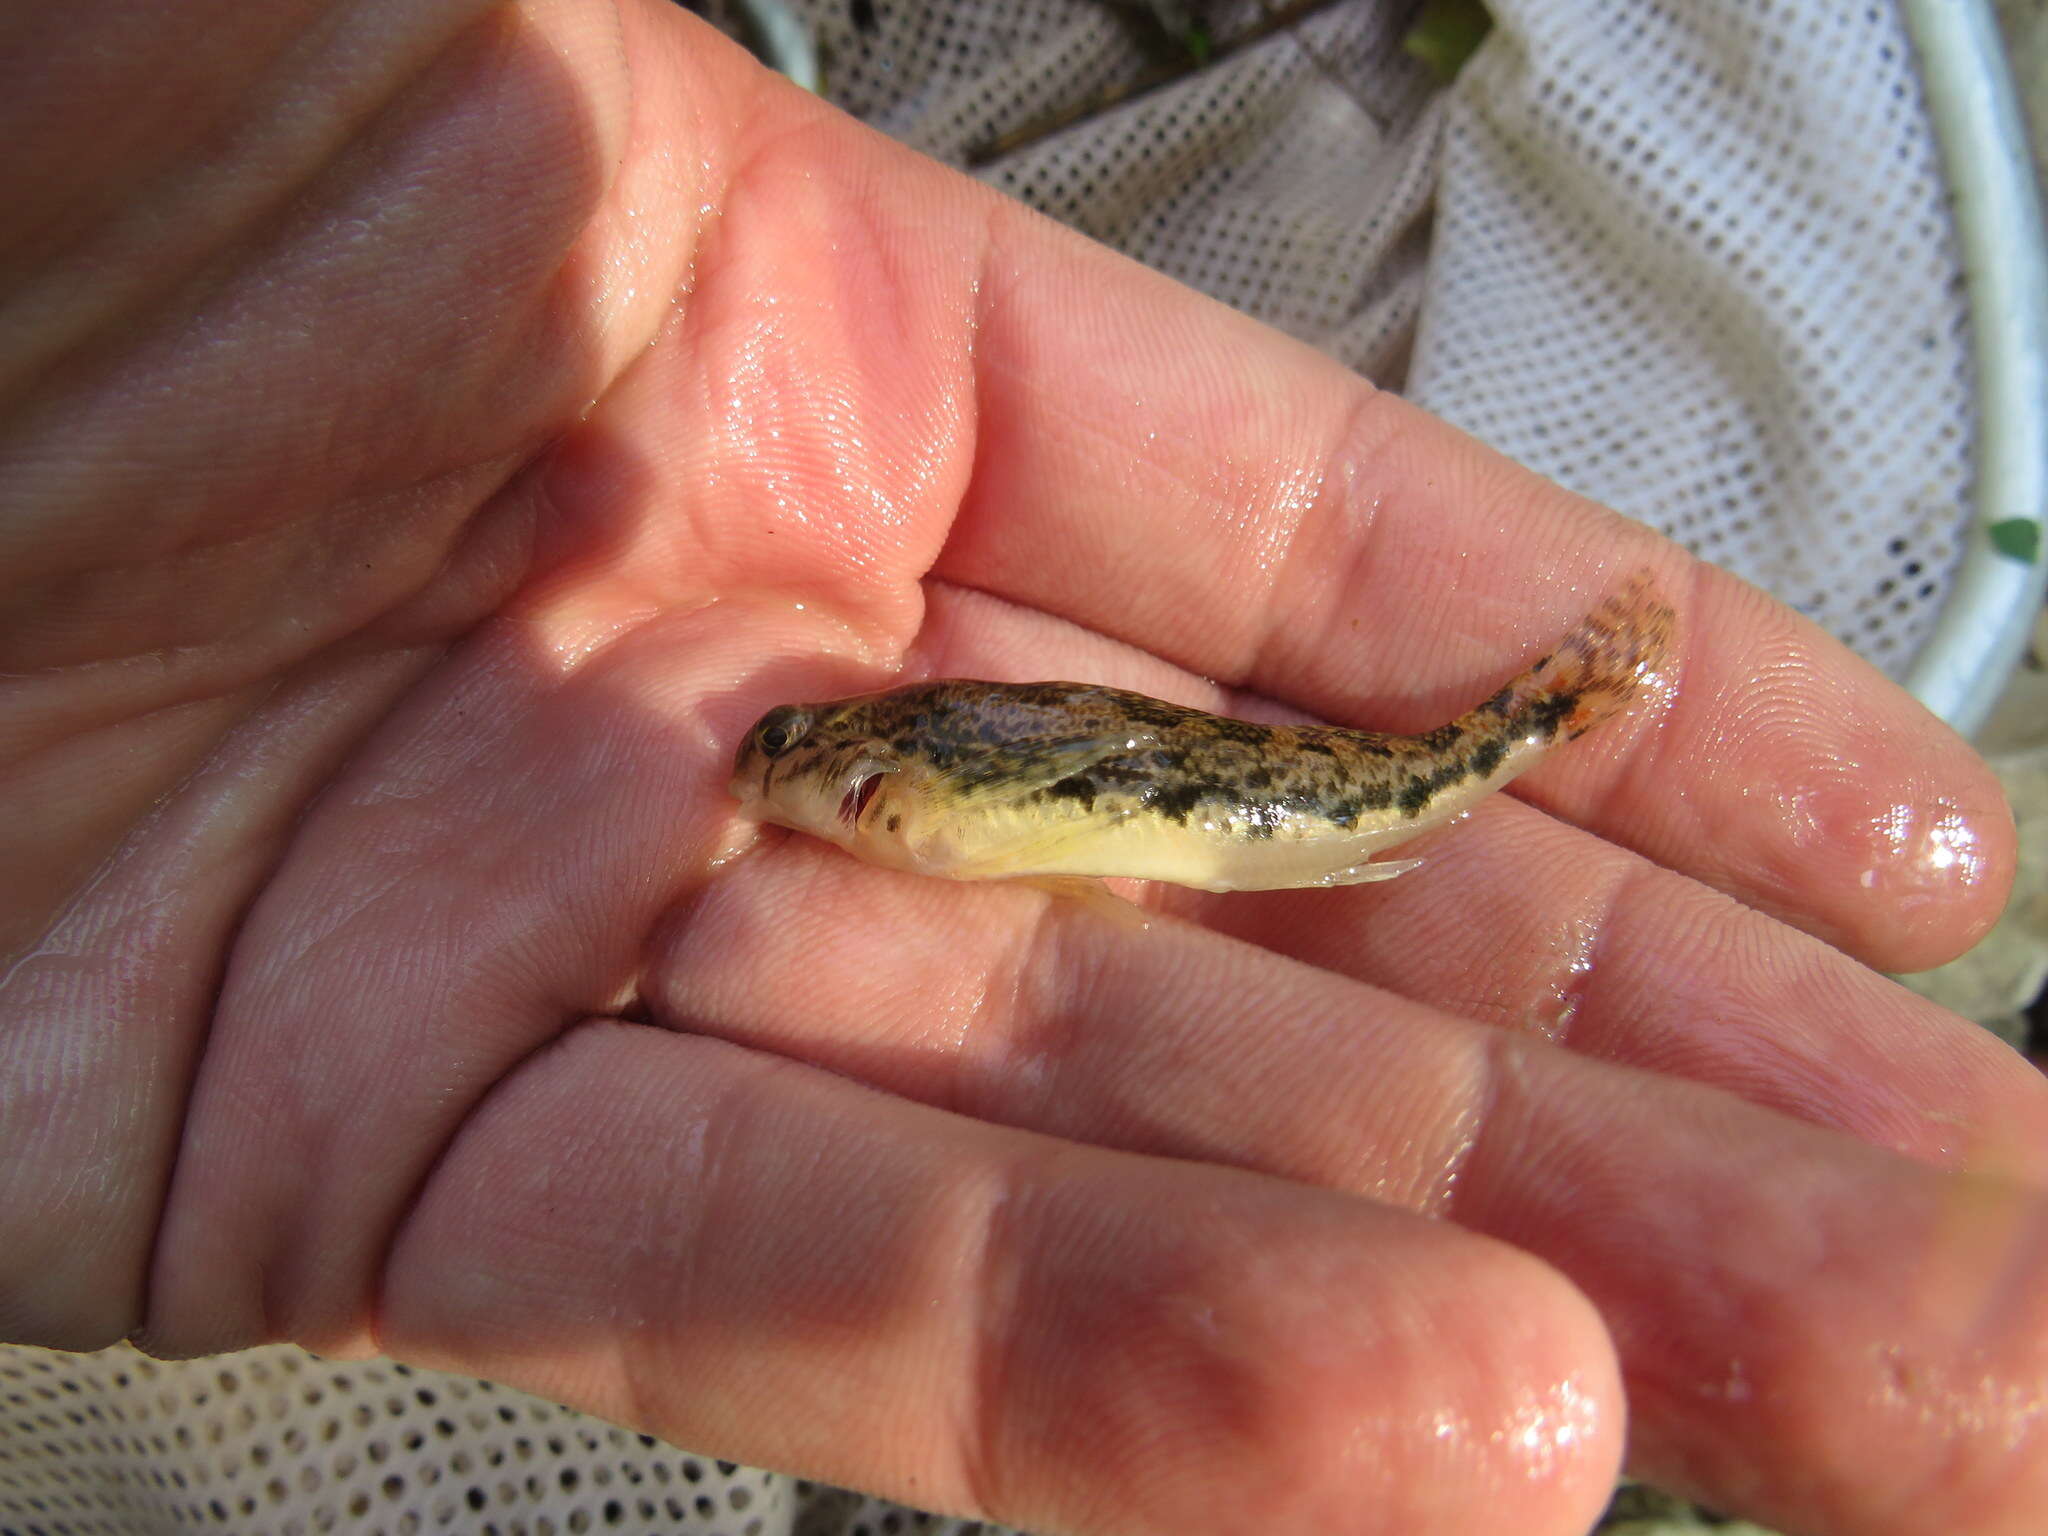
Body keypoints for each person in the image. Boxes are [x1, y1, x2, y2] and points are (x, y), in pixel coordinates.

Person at [2, 3, 2042, 1533]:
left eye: (816, 777)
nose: (794, 788)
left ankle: (1550, 710)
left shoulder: (886, 783)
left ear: (870, 799)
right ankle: (1542, 716)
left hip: (1239, 788)